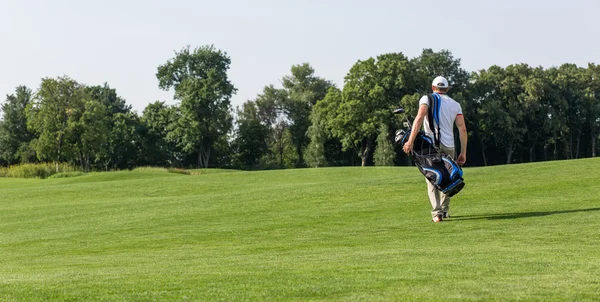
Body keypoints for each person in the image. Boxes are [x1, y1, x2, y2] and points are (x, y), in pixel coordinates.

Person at [402, 76, 467, 223]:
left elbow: (419, 118)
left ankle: (437, 214)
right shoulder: (455, 104)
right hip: (449, 145)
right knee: (449, 176)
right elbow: (462, 129)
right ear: (447, 89)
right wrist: (463, 152)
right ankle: (444, 211)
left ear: (433, 88)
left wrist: (410, 141)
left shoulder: (427, 99)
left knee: (432, 177)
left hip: (431, 146)